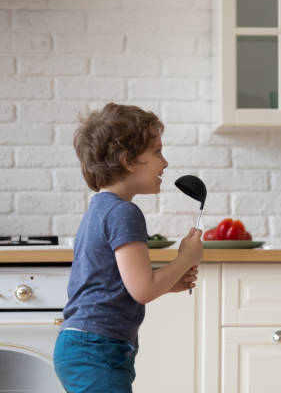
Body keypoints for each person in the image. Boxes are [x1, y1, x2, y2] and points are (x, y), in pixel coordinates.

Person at [53, 103, 203, 393]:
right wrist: (185, 258)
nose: (165, 163)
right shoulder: (124, 213)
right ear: (129, 160)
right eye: (157, 151)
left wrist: (169, 281)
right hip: (97, 348)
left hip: (84, 344)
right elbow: (143, 289)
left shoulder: (100, 208)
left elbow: (116, 282)